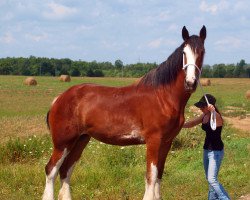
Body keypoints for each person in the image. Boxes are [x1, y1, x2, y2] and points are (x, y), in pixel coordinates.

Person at [183, 94, 230, 200]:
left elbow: (215, 116)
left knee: (212, 179)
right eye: (201, 107)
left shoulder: (216, 116)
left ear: (209, 106)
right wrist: (178, 125)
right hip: (206, 150)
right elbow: (192, 123)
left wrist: (213, 111)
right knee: (210, 179)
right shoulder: (204, 115)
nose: (201, 109)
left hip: (216, 152)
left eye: (203, 107)